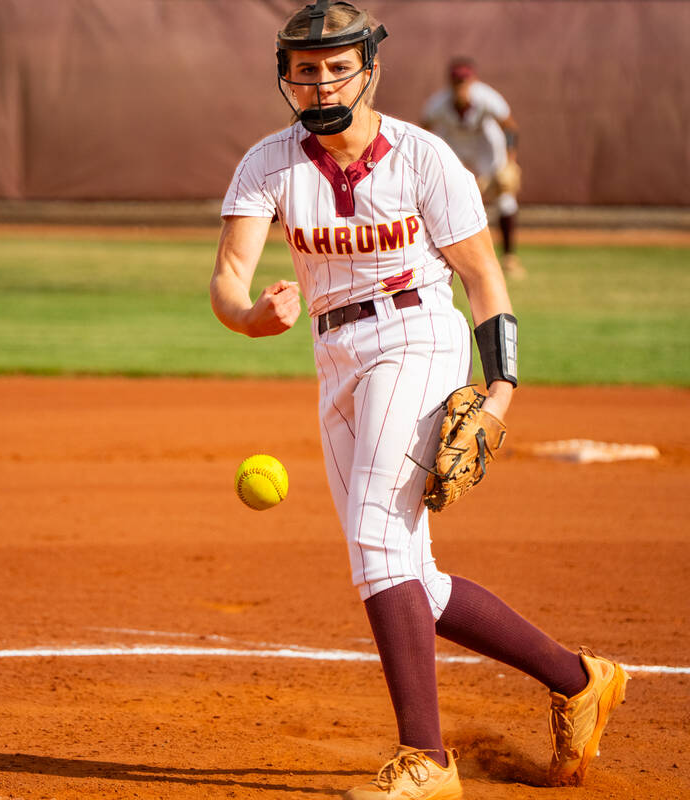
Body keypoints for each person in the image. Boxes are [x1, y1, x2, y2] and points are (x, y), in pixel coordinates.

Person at [210, 2, 628, 798]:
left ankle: (427, 762)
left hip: (419, 337)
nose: (320, 80)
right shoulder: (268, 164)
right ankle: (579, 680)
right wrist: (247, 316)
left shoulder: (424, 158)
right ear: (285, 77)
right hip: (333, 354)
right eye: (304, 68)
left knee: (375, 538)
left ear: (368, 68)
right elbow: (230, 277)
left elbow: (484, 282)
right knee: (408, 573)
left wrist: (499, 393)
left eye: (337, 65)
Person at [421, 56, 526, 279]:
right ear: (450, 83)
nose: (462, 86)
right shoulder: (438, 103)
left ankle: (509, 258)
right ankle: (446, 258)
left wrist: (510, 161)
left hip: (485, 145)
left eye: (465, 81)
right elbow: (422, 131)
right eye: (457, 82)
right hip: (454, 144)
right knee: (447, 197)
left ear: (473, 80)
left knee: (505, 198)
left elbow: (510, 127)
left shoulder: (486, 97)